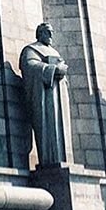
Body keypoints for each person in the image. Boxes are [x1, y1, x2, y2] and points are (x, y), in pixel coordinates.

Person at [19, 23, 71, 166]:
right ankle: (49, 161)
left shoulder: (54, 52)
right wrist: (52, 70)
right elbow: (29, 66)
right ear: (40, 33)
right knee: (49, 128)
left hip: (59, 95)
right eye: (48, 32)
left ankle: (64, 160)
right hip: (45, 96)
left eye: (52, 32)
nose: (51, 35)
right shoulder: (31, 50)